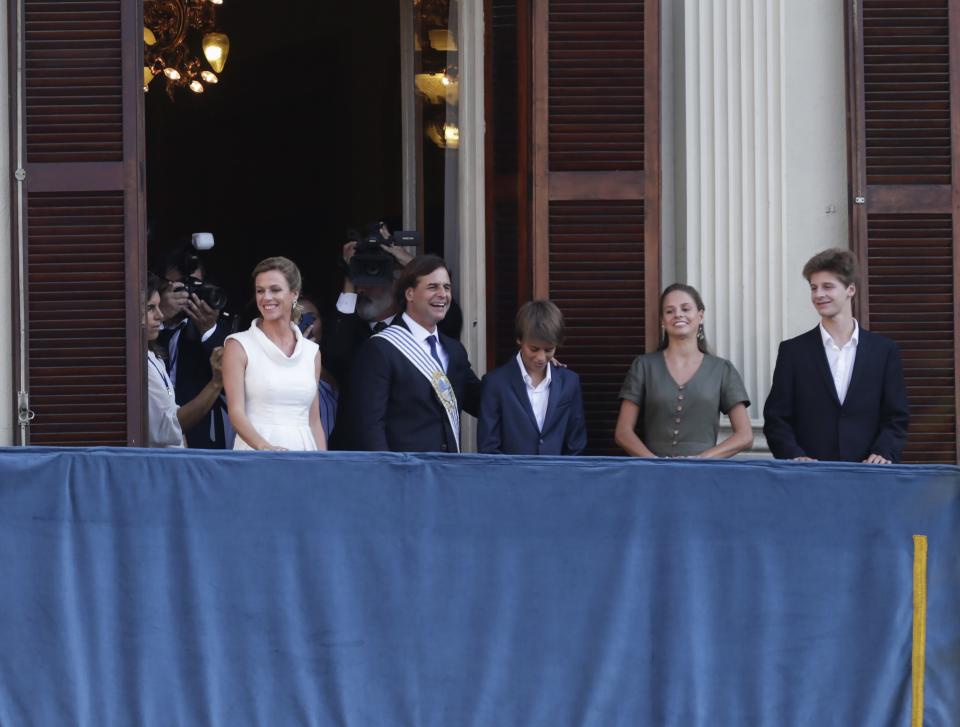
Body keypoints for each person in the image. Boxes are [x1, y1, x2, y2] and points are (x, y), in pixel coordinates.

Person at [763, 249, 909, 463]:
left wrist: (883, 452)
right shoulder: (792, 351)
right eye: (814, 288)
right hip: (809, 478)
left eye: (827, 286)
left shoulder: (884, 351)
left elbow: (897, 416)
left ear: (850, 289)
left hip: (869, 475)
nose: (818, 294)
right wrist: (794, 455)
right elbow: (776, 418)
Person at [348, 255, 482, 452]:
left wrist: (522, 370)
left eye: (446, 287)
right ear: (409, 294)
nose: (442, 294)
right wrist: (385, 473)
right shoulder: (381, 348)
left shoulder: (454, 351)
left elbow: (481, 402)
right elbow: (370, 425)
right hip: (404, 474)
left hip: (447, 471)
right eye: (432, 287)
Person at [615, 284, 753, 458]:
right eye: (669, 311)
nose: (678, 314)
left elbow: (745, 436)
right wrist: (654, 463)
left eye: (685, 309)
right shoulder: (643, 366)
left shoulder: (722, 370)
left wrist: (702, 459)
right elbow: (623, 432)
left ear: (700, 315)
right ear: (662, 321)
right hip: (652, 474)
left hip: (702, 475)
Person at [222, 257, 326, 451]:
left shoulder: (311, 352)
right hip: (257, 454)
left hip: (304, 453)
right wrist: (265, 448)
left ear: (294, 294)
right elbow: (236, 412)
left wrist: (323, 465)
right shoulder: (238, 345)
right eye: (260, 290)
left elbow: (314, 421)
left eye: (275, 290)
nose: (266, 297)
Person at [477, 300, 587, 455]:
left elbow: (576, 442)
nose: (541, 357)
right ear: (519, 340)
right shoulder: (495, 383)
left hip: (557, 476)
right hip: (511, 477)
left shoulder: (569, 382)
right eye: (534, 349)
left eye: (549, 349)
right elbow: (488, 446)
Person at [157, 247, 232, 448]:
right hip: (152, 429)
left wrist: (208, 329)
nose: (189, 293)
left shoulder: (217, 326)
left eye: (196, 285)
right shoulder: (152, 322)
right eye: (181, 286)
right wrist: (160, 314)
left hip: (200, 433)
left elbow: (231, 367)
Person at [145, 273, 225, 448]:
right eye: (150, 308)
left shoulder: (154, 356)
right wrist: (215, 383)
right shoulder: (139, 359)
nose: (158, 316)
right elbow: (170, 425)